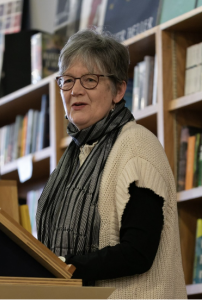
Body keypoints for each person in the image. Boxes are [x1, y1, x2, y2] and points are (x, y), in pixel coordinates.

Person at [36, 29, 187, 299]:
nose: (76, 90)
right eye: (67, 81)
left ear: (118, 90)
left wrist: (62, 266)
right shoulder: (73, 156)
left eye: (90, 80)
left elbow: (137, 253)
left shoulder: (138, 146)